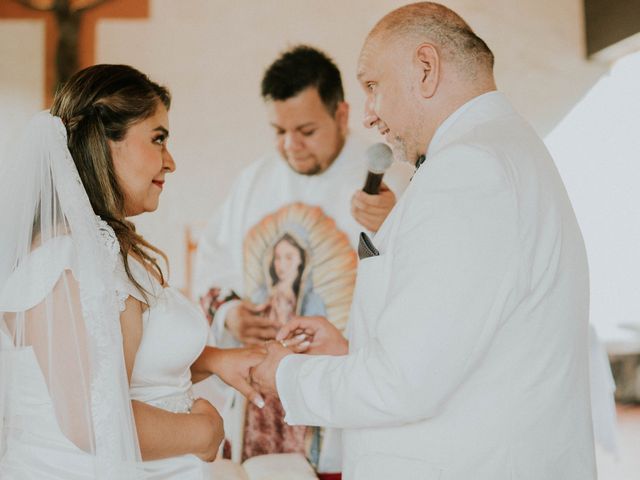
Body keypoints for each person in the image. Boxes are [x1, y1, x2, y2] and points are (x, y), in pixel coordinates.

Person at [250, 3, 597, 480]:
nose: (369, 115)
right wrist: (352, 351)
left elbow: (405, 383)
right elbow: (455, 343)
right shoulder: (501, 149)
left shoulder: (469, 170)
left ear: (426, 69)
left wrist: (287, 377)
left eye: (372, 86)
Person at [0, 64, 264, 479]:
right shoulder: (68, 259)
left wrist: (213, 360)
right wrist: (205, 433)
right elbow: (91, 419)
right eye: (158, 139)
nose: (170, 161)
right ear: (104, 144)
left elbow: (121, 362)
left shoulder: (98, 248)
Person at [193, 46, 410, 472]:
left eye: (306, 130)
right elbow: (212, 262)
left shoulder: (390, 182)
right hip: (262, 398)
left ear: (342, 115)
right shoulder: (253, 182)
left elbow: (419, 280)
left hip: (342, 393)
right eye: (279, 131)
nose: (290, 146)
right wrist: (232, 312)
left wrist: (395, 225)